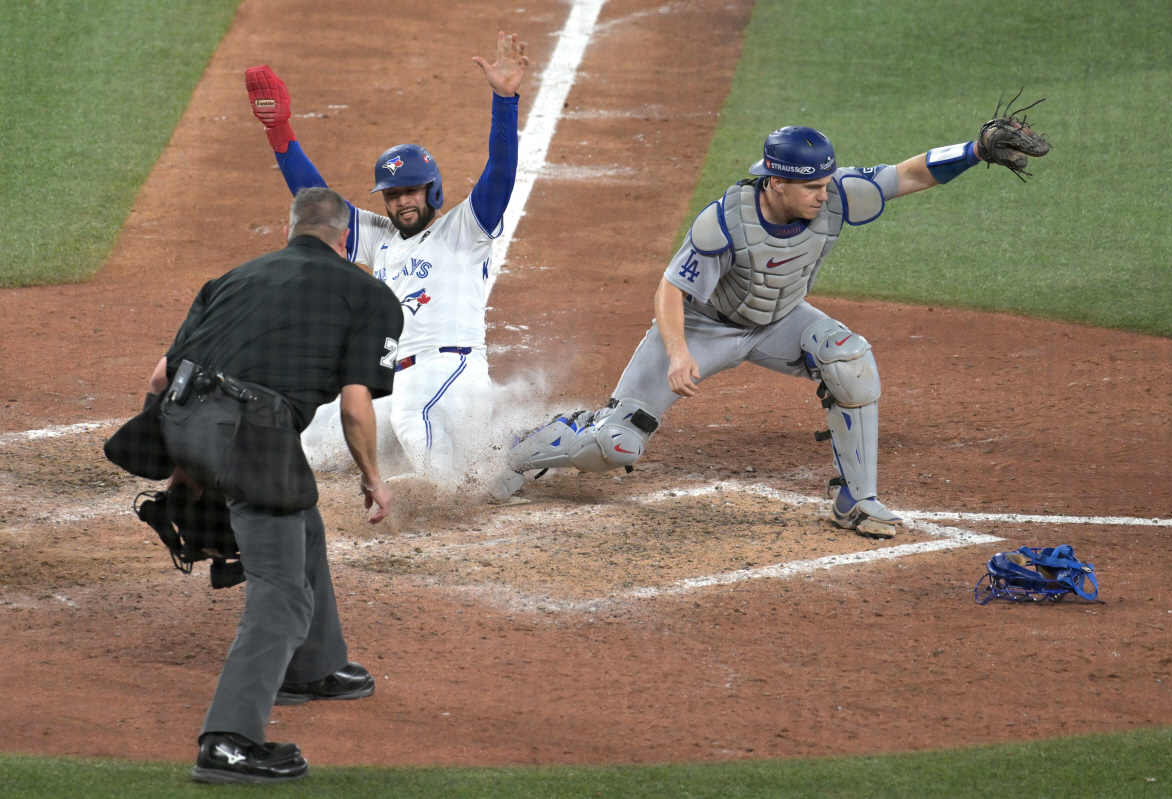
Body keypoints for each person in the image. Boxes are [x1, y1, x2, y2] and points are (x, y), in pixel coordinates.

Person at [493, 115, 1051, 536]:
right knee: (616, 445)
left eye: (827, 183)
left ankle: (856, 500)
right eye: (812, 187)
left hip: (779, 322)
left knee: (849, 359)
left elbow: (908, 174)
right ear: (776, 183)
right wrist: (679, 352)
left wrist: (975, 150)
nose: (824, 195)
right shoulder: (724, 222)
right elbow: (670, 290)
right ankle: (524, 450)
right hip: (704, 329)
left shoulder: (832, 196)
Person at [143, 187, 404, 783]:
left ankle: (311, 667)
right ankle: (228, 742)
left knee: (300, 520)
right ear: (345, 239)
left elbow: (160, 377)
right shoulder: (369, 294)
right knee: (281, 593)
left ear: (288, 230)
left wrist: (180, 467)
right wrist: (373, 479)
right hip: (250, 435)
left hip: (183, 418)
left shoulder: (231, 279)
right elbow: (355, 407)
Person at [244, 31, 529, 488]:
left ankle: (476, 481)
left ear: (432, 190)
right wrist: (279, 131)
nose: (402, 202)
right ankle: (486, 459)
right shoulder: (381, 238)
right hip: (397, 380)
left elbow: (500, 173)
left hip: (450, 373)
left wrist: (505, 102)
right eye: (392, 194)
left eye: (411, 191)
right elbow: (317, 201)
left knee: (418, 427)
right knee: (316, 434)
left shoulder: (465, 229)